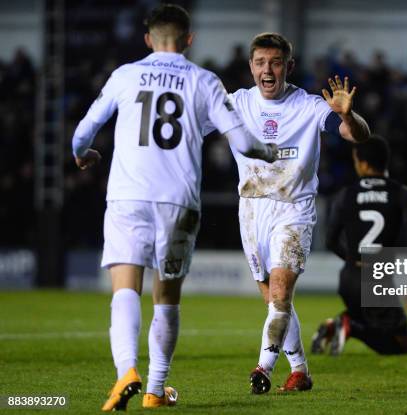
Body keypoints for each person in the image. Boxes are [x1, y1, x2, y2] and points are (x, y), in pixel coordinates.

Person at [71, 5, 276, 411]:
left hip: (128, 195)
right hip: (178, 200)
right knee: (166, 297)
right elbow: (244, 143)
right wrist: (271, 152)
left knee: (125, 286)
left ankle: (126, 371)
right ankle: (154, 389)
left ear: (148, 39)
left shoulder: (124, 75)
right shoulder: (204, 81)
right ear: (189, 39)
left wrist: (84, 154)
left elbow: (82, 133)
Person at [224, 32, 370, 393]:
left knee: (280, 293)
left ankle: (263, 369)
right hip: (252, 210)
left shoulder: (308, 105)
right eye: (260, 63)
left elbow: (357, 136)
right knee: (274, 302)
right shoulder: (236, 103)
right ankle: (300, 370)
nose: (267, 70)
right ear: (251, 67)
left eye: (275, 62)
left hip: (294, 209)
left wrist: (349, 115)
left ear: (288, 66)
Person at [312, 135, 407, 356]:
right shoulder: (403, 195)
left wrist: (354, 261)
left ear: (362, 163)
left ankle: (342, 323)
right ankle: (351, 327)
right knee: (400, 344)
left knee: (368, 315)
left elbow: (330, 241)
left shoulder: (345, 195)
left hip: (348, 280)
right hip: (378, 282)